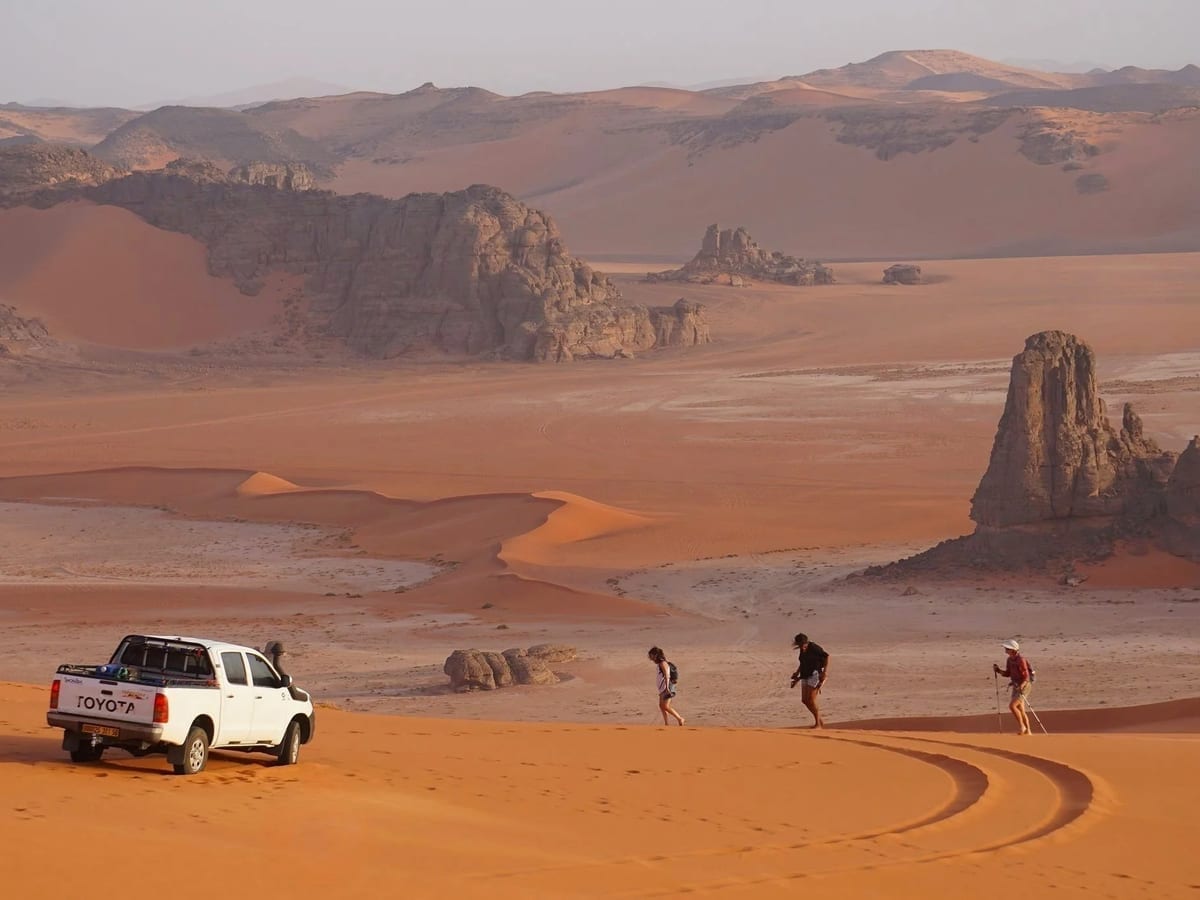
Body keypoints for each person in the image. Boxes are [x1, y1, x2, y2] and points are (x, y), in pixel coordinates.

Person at [993, 638, 1032, 735]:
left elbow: (1026, 677)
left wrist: (1022, 686)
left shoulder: (1021, 660)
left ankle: (1022, 727)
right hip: (1016, 685)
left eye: (1007, 648)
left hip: (1024, 686)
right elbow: (1008, 673)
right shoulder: (1009, 660)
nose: (1005, 650)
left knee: (1012, 706)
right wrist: (998, 670)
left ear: (1013, 650)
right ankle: (1028, 731)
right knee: (1021, 709)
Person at [790, 633, 829, 728]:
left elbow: (826, 656)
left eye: (802, 645)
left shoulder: (814, 647)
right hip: (805, 675)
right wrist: (797, 674)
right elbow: (802, 662)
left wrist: (824, 672)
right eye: (799, 645)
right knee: (804, 700)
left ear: (806, 642)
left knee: (811, 699)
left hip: (815, 674)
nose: (801, 647)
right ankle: (819, 720)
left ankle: (818, 724)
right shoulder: (802, 649)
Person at [648, 646, 684, 726]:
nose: (650, 658)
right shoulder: (659, 664)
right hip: (663, 688)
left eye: (651, 656)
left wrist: (667, 688)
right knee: (661, 706)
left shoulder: (663, 663)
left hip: (667, 687)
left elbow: (667, 676)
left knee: (665, 706)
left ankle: (680, 718)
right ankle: (666, 723)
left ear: (656, 655)